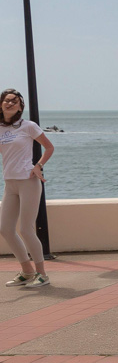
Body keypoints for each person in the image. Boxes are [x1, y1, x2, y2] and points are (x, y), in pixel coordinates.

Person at [0, 89, 53, 288]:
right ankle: (27, 271)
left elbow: (49, 147)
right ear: (1, 104)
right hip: (10, 183)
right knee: (5, 229)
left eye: (15, 101)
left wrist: (38, 165)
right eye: (7, 100)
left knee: (26, 229)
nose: (10, 103)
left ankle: (42, 274)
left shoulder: (28, 126)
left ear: (20, 107)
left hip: (28, 181)